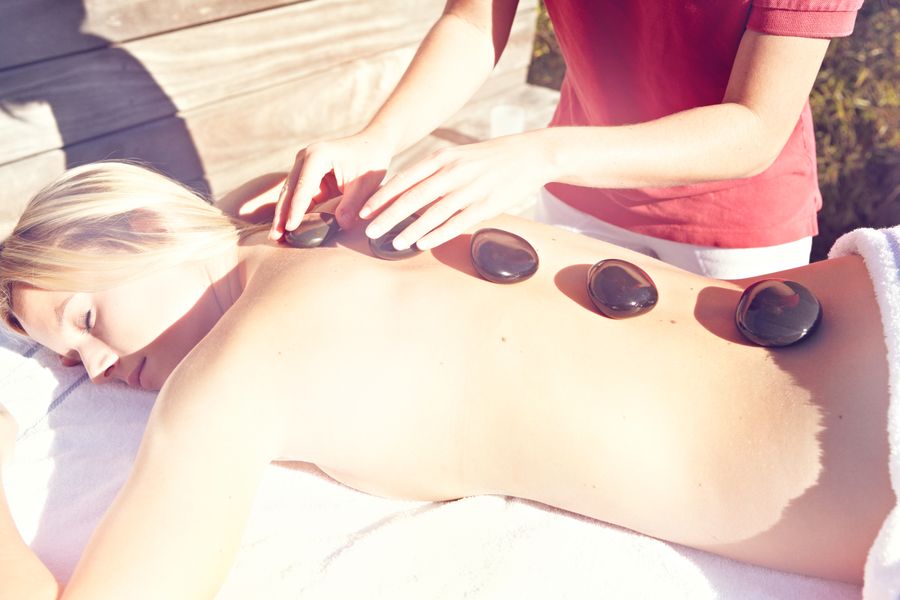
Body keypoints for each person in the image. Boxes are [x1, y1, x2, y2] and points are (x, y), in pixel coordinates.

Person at [0, 161, 896, 599]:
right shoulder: (354, 205)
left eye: (86, 320)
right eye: (69, 362)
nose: (100, 372)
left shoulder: (233, 376)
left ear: (148, 225)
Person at [268, 0, 864, 279]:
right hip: (578, 196)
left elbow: (755, 127)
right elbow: (473, 23)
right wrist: (378, 138)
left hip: (734, 233)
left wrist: (541, 154)